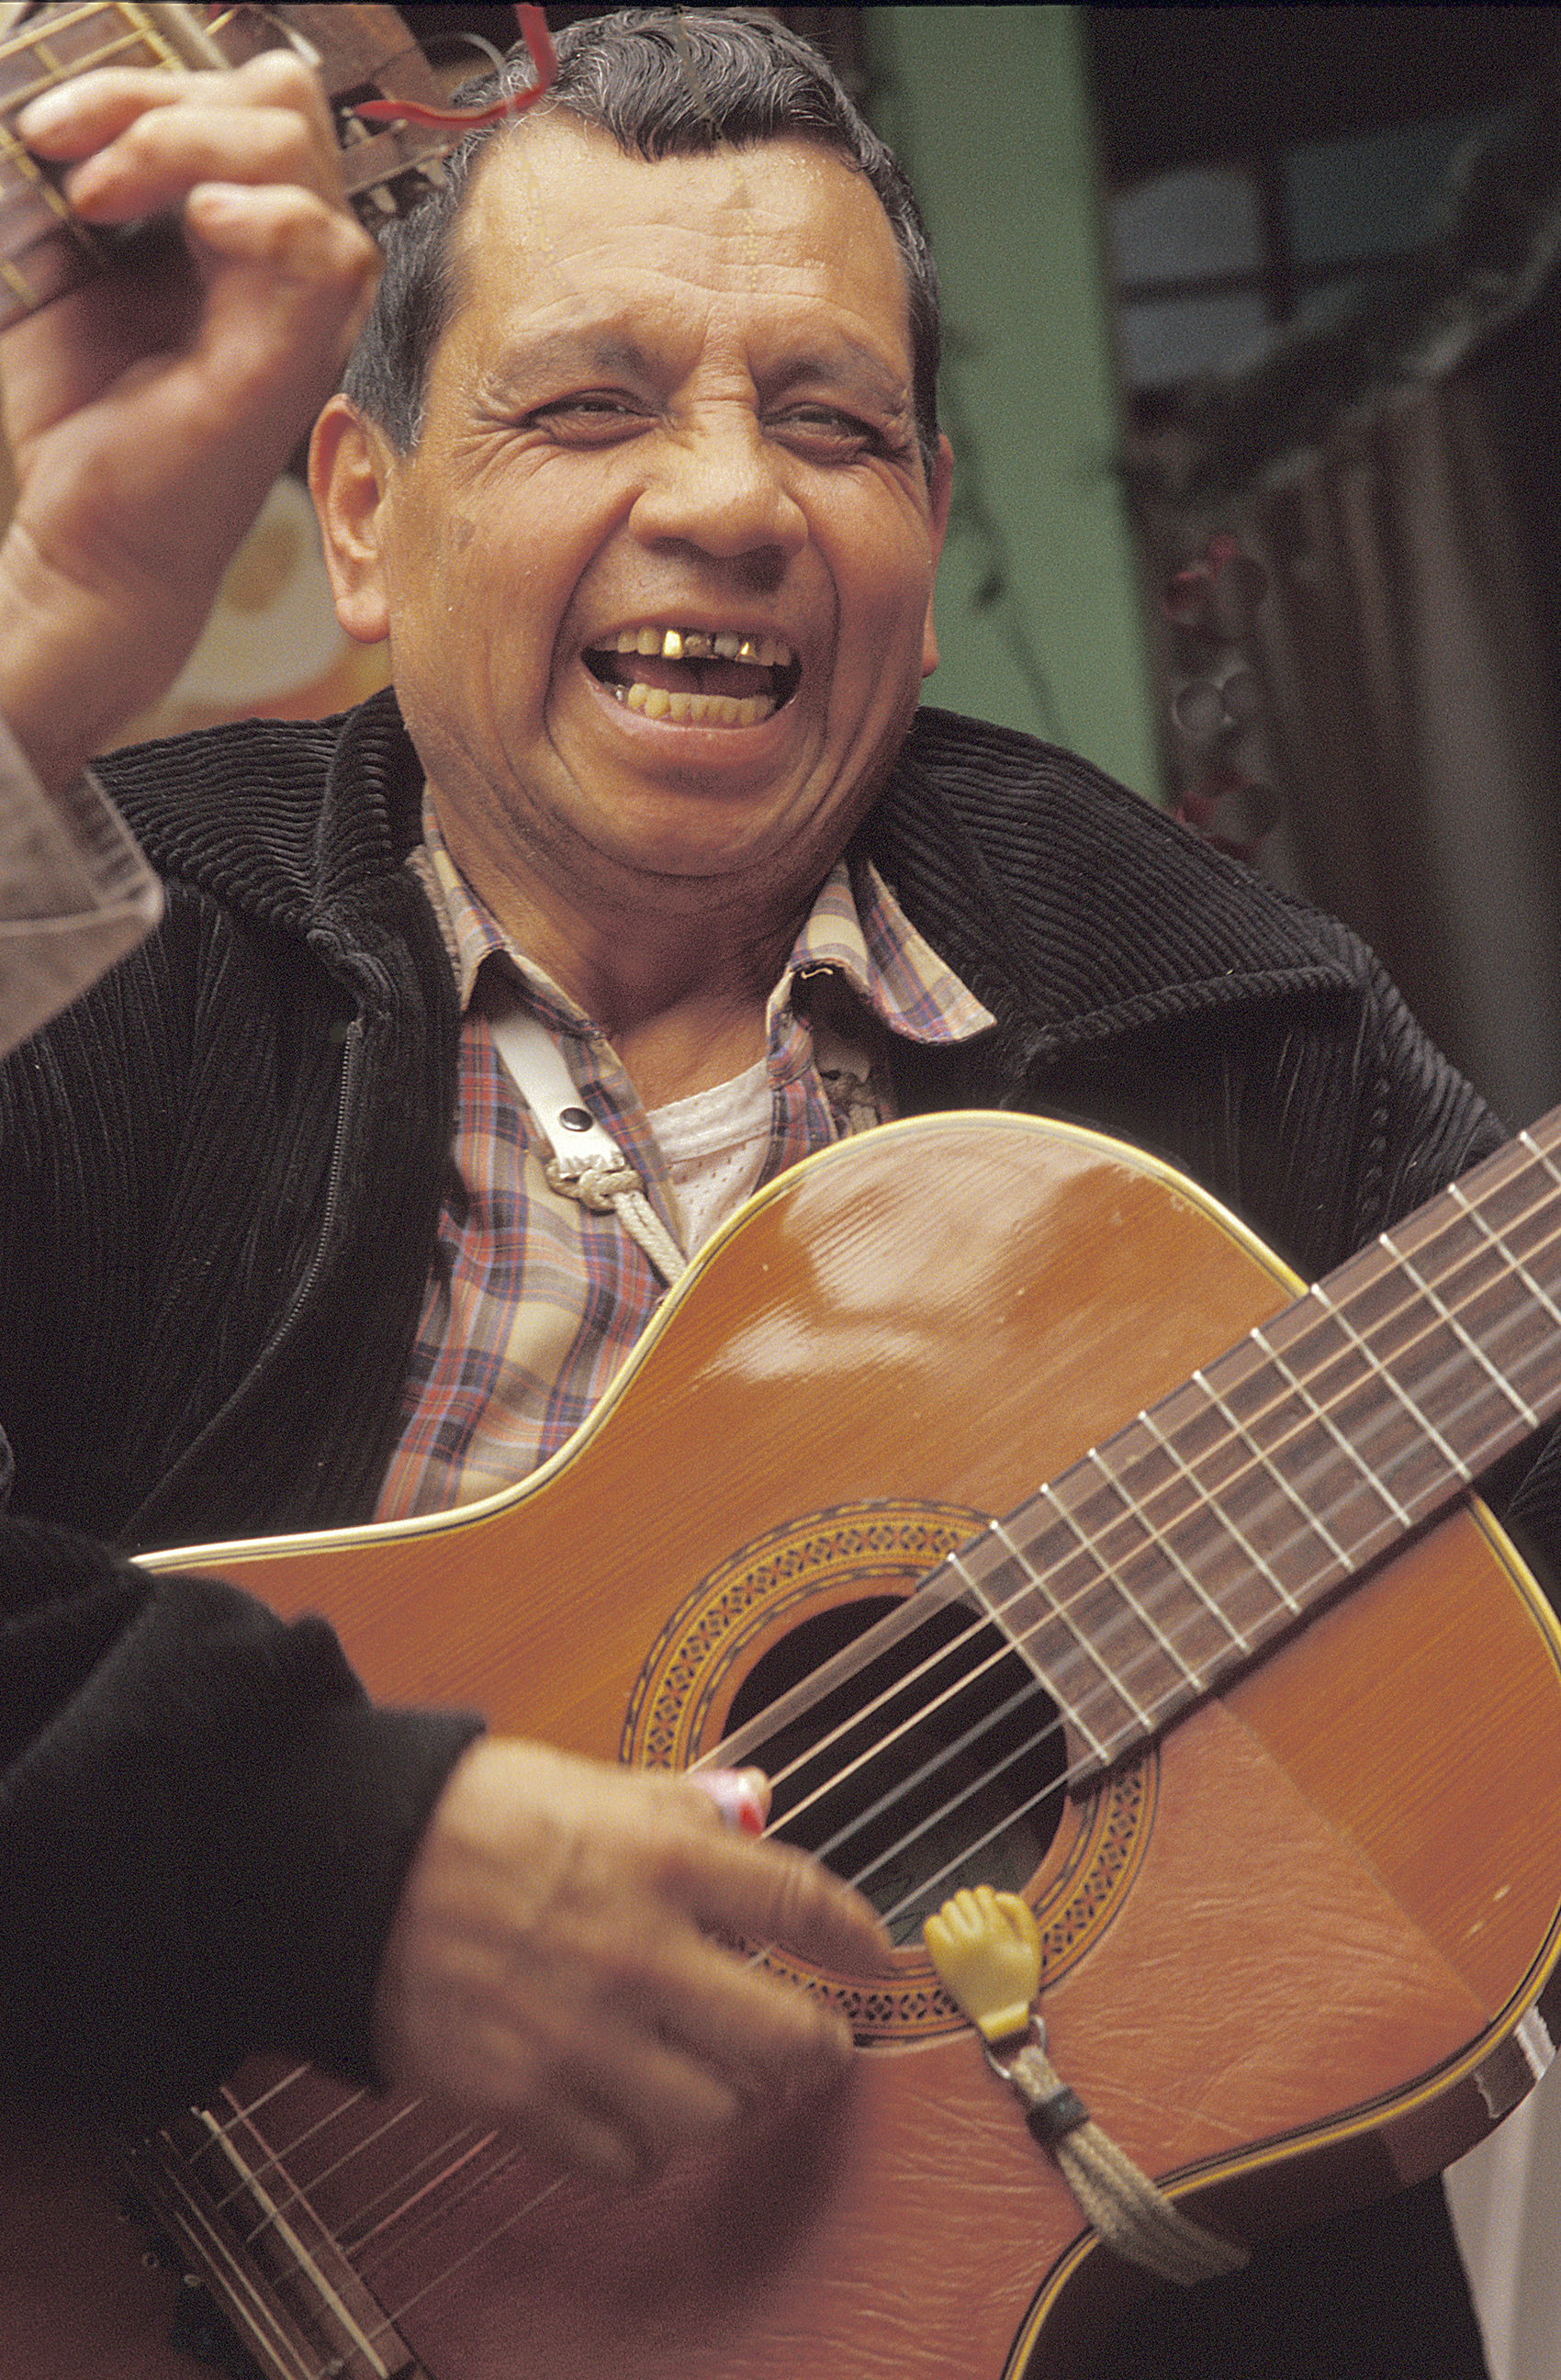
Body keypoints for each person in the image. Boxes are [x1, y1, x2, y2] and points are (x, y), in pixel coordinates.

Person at [0, 10, 1546, 2374]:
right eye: (589, 403)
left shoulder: (1234, 1014)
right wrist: (320, 1861)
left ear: (924, 554)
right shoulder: (110, 968)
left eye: (829, 423)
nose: (730, 497)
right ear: (360, 514)